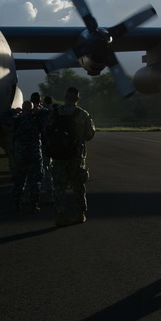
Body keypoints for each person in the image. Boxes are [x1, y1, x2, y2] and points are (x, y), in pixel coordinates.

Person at [47, 86, 95, 227]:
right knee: (78, 185)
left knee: (59, 186)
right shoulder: (82, 114)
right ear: (78, 99)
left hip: (58, 155)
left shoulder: (55, 113)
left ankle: (60, 215)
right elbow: (90, 135)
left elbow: (47, 131)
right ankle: (80, 214)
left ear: (65, 97)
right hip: (76, 155)